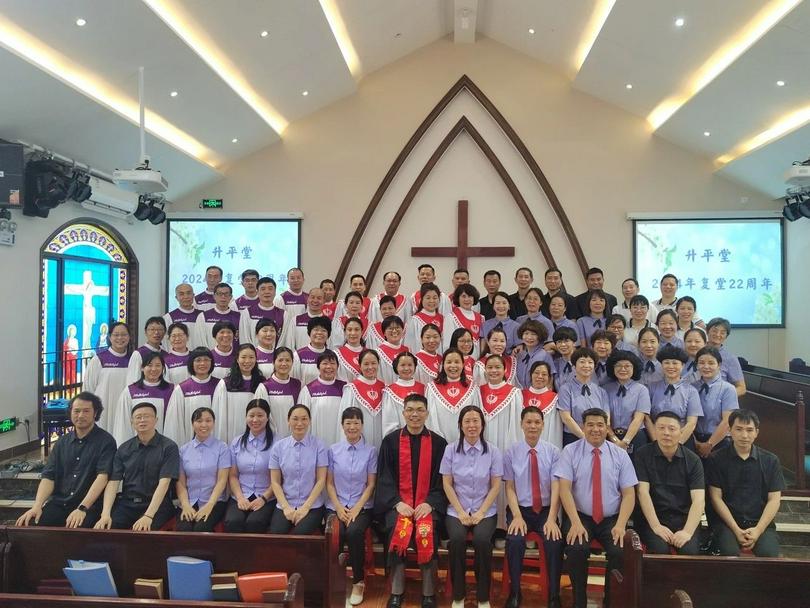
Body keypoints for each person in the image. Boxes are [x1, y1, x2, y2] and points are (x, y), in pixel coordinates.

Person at [557, 408, 637, 608]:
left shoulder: (619, 454)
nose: (595, 429)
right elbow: (564, 489)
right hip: (580, 516)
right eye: (590, 425)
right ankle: (579, 602)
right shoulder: (570, 451)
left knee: (620, 552)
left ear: (607, 427)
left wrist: (621, 525)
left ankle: (611, 601)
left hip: (611, 519)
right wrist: (574, 522)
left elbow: (629, 494)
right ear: (583, 427)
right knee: (576, 549)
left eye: (600, 425)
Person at [375, 393, 448, 608]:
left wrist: (430, 503)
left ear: (426, 413)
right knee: (395, 527)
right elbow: (384, 477)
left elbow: (443, 480)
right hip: (399, 504)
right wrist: (398, 502)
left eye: (419, 410)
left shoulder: (439, 443)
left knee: (430, 528)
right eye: (410, 410)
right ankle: (397, 591)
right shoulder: (390, 442)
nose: (414, 415)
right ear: (403, 412)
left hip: (427, 505)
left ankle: (428, 593)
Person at [16, 392, 115, 529]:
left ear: (95, 413)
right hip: (60, 503)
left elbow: (102, 477)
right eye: (76, 411)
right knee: (30, 524)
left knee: (77, 530)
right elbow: (49, 476)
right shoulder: (62, 442)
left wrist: (82, 508)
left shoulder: (106, 441)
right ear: (70, 412)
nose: (80, 415)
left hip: (89, 506)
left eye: (86, 411)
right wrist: (37, 506)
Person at [441, 406, 503, 608]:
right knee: (457, 540)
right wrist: (459, 511)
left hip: (485, 510)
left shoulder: (493, 451)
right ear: (460, 425)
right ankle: (459, 595)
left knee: (482, 541)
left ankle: (483, 596)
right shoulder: (450, 449)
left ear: (482, 425)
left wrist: (481, 513)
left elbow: (495, 486)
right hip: (456, 509)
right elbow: (447, 484)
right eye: (467, 421)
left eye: (476, 421)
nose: (471, 425)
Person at [503, 406, 563, 608]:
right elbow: (509, 488)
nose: (533, 426)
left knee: (554, 542)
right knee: (515, 541)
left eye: (537, 422)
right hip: (520, 509)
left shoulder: (554, 452)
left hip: (546, 510)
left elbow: (557, 488)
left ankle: (554, 594)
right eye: (528, 422)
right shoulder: (511, 452)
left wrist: (552, 518)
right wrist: (517, 516)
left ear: (543, 425)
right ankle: (515, 592)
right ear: (521, 424)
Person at [707, 409, 784, 556]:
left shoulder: (770, 460)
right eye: (739, 429)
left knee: (769, 555)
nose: (744, 435)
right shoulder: (716, 459)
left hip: (760, 524)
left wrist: (758, 530)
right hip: (726, 524)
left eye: (749, 430)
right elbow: (715, 498)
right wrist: (736, 529)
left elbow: (774, 500)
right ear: (730, 430)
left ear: (756, 432)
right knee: (729, 553)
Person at [95, 402, 179, 530]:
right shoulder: (124, 449)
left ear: (156, 420)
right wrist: (105, 514)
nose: (142, 420)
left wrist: (148, 516)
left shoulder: (169, 447)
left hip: (157, 505)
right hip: (128, 503)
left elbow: (164, 483)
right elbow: (113, 482)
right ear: (132, 422)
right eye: (138, 417)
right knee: (107, 529)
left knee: (144, 533)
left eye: (147, 416)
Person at [326, 407, 378, 606]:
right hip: (336, 504)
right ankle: (334, 579)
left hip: (362, 506)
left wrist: (356, 508)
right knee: (334, 534)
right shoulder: (333, 450)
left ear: (362, 426)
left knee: (355, 532)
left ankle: (358, 581)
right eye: (348, 423)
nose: (352, 427)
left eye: (356, 423)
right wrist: (338, 507)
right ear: (342, 426)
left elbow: (371, 484)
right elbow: (329, 483)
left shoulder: (371, 451)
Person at [634, 411, 705, 555]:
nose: (666, 433)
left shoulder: (693, 460)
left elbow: (699, 500)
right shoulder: (642, 454)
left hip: (683, 519)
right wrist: (656, 526)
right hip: (652, 519)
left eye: (672, 429)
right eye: (661, 428)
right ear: (654, 430)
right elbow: (643, 493)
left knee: (690, 551)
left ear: (681, 431)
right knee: (659, 549)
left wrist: (687, 531)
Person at [269, 404, 329, 534]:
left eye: (304, 419)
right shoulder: (278, 447)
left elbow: (321, 480)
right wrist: (286, 508)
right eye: (295, 419)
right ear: (288, 420)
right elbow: (275, 482)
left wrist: (305, 508)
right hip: (285, 503)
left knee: (298, 537)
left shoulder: (320, 446)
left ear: (309, 421)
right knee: (276, 535)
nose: (299, 423)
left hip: (312, 505)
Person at [175, 406, 231, 531]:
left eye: (208, 420)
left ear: (214, 423)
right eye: (199, 421)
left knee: (201, 528)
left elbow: (222, 480)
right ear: (192, 424)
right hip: (189, 501)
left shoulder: (222, 448)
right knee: (184, 529)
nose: (203, 424)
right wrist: (185, 505)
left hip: (214, 502)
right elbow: (180, 482)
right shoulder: (183, 450)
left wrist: (209, 505)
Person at [223, 399, 276, 533]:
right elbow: (233, 476)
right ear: (246, 417)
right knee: (233, 521)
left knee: (255, 523)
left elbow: (278, 479)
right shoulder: (237, 442)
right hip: (241, 495)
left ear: (267, 417)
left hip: (267, 497)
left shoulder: (278, 443)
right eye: (251, 415)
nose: (255, 420)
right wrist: (240, 498)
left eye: (260, 415)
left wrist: (263, 499)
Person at [113, 351, 174, 446]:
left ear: (163, 368)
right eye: (149, 365)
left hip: (162, 447)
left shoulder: (171, 390)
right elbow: (123, 423)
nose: (153, 369)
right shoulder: (130, 391)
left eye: (158, 365)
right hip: (136, 447)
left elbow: (173, 423)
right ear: (142, 368)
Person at [647, 346, 701, 448]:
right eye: (666, 362)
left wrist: (677, 444)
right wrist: (656, 441)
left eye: (675, 363)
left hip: (682, 439)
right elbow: (646, 418)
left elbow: (691, 423)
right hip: (655, 439)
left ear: (683, 366)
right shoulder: (651, 387)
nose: (670, 366)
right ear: (661, 365)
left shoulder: (691, 391)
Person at [164, 347, 219, 447]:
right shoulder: (182, 389)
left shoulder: (220, 386)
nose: (202, 363)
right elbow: (174, 422)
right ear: (191, 363)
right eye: (198, 360)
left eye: (206, 360)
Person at [83, 321, 131, 432]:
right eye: (116, 335)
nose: (120, 338)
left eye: (124, 334)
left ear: (129, 337)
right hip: (104, 411)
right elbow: (88, 389)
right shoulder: (99, 360)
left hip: (126, 410)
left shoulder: (133, 359)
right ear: (109, 337)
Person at [212, 344, 266, 443]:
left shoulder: (262, 383)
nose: (247, 361)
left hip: (256, 432)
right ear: (237, 359)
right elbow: (219, 416)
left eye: (251, 357)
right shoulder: (225, 384)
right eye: (243, 357)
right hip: (232, 432)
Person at [426, 348, 482, 442]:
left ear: (463, 364)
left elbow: (477, 417)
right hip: (439, 442)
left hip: (467, 441)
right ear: (443, 365)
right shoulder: (432, 388)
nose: (453, 366)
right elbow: (430, 418)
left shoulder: (473, 388)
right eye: (449, 362)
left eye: (457, 362)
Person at [693, 346, 739, 458]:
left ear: (719, 365)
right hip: (695, 441)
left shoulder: (728, 389)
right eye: (702, 363)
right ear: (697, 365)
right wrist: (696, 443)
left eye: (711, 363)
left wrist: (709, 444)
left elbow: (727, 421)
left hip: (720, 442)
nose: (706, 366)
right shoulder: (692, 387)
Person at [557, 347, 609, 445]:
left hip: (597, 437)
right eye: (582, 362)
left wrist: (595, 436)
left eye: (590, 362)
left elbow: (606, 418)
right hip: (573, 437)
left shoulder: (601, 391)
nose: (586, 365)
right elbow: (566, 418)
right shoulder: (566, 389)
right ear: (574, 366)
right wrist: (585, 437)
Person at [603, 349, 650, 457]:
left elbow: (638, 419)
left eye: (627, 366)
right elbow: (604, 418)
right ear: (612, 368)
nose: (623, 369)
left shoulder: (641, 390)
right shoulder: (604, 389)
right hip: (610, 436)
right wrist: (614, 439)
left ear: (634, 368)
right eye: (618, 365)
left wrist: (625, 441)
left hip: (636, 436)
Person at [300, 350, 347, 447]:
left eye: (333, 363)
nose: (329, 367)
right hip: (315, 443)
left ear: (338, 366)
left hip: (339, 442)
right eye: (325, 363)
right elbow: (303, 419)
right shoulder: (308, 390)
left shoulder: (345, 388)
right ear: (318, 366)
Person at [340, 350, 387, 447]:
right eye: (366, 364)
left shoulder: (385, 388)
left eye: (373, 363)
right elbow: (346, 421)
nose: (370, 367)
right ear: (360, 365)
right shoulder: (351, 389)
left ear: (378, 364)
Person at [254, 347, 302, 440]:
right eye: (280, 360)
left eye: (288, 360)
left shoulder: (298, 385)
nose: (284, 364)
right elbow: (260, 414)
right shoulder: (264, 387)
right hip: (270, 438)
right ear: (273, 362)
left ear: (292, 363)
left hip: (293, 438)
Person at [382, 352, 426, 436]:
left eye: (410, 365)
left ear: (415, 367)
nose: (406, 368)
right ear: (396, 367)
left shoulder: (423, 388)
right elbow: (389, 422)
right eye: (402, 365)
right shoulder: (389, 392)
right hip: (399, 439)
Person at [239, 277, 289, 349]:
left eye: (270, 289)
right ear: (257, 292)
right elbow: (245, 338)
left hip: (275, 357)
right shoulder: (247, 313)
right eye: (263, 289)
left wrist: (276, 355)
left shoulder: (283, 314)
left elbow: (284, 340)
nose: (267, 292)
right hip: (253, 358)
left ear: (275, 292)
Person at [522, 361, 562, 448]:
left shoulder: (555, 398)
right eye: (536, 373)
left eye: (544, 374)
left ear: (549, 378)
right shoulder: (519, 395)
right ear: (530, 375)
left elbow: (555, 430)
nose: (540, 376)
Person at [705, 317, 747, 396]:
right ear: (707, 331)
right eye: (715, 331)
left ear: (726, 336)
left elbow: (742, 388)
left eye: (722, 332)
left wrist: (723, 396)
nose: (718, 335)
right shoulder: (697, 352)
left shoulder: (730, 358)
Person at [194, 283, 242, 349]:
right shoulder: (204, 317)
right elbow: (200, 341)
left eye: (226, 294)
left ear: (231, 297)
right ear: (214, 296)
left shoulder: (239, 317)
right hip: (210, 357)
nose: (223, 297)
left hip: (233, 357)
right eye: (219, 294)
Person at [443, 284, 484, 358]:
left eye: (470, 296)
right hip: (458, 360)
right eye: (463, 296)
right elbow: (448, 343)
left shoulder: (481, 318)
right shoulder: (451, 317)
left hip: (476, 361)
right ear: (458, 298)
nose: (467, 299)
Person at [125, 316, 168, 385]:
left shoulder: (166, 354)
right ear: (145, 332)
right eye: (152, 329)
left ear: (165, 332)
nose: (156, 332)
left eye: (160, 329)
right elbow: (132, 381)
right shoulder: (138, 354)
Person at [405, 283, 444, 353]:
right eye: (428, 298)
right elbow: (409, 345)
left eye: (435, 298)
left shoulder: (443, 319)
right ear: (421, 299)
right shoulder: (415, 321)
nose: (432, 301)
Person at [514, 320, 554, 389]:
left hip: (537, 395)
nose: (529, 337)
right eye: (526, 333)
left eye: (533, 334)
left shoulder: (545, 355)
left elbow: (550, 382)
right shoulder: (519, 355)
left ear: (540, 336)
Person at [293, 316, 331, 385]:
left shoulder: (332, 356)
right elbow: (294, 382)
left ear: (328, 334)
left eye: (323, 330)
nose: (319, 333)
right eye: (316, 330)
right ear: (309, 332)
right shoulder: (298, 356)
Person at [164, 283, 199, 349]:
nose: (186, 297)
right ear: (176, 298)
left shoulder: (202, 316)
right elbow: (166, 343)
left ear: (193, 295)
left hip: (199, 357)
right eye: (181, 294)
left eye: (188, 293)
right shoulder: (168, 318)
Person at [376, 316, 409, 385]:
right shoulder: (378, 353)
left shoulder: (407, 350)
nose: (394, 331)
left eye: (397, 328)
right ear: (384, 333)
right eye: (390, 328)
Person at [335, 316, 365, 381]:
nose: (353, 333)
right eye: (349, 329)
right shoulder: (336, 354)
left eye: (356, 329)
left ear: (362, 332)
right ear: (345, 332)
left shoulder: (369, 354)